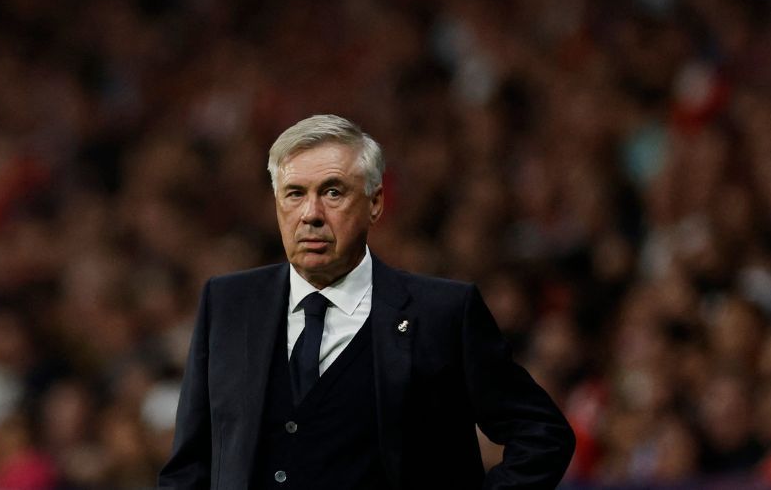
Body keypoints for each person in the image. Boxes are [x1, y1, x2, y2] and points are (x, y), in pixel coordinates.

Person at [158, 115, 575, 489]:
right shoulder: (228, 303)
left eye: (332, 192)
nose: (311, 214)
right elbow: (189, 468)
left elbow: (542, 434)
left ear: (375, 204)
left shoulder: (442, 313)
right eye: (294, 194)